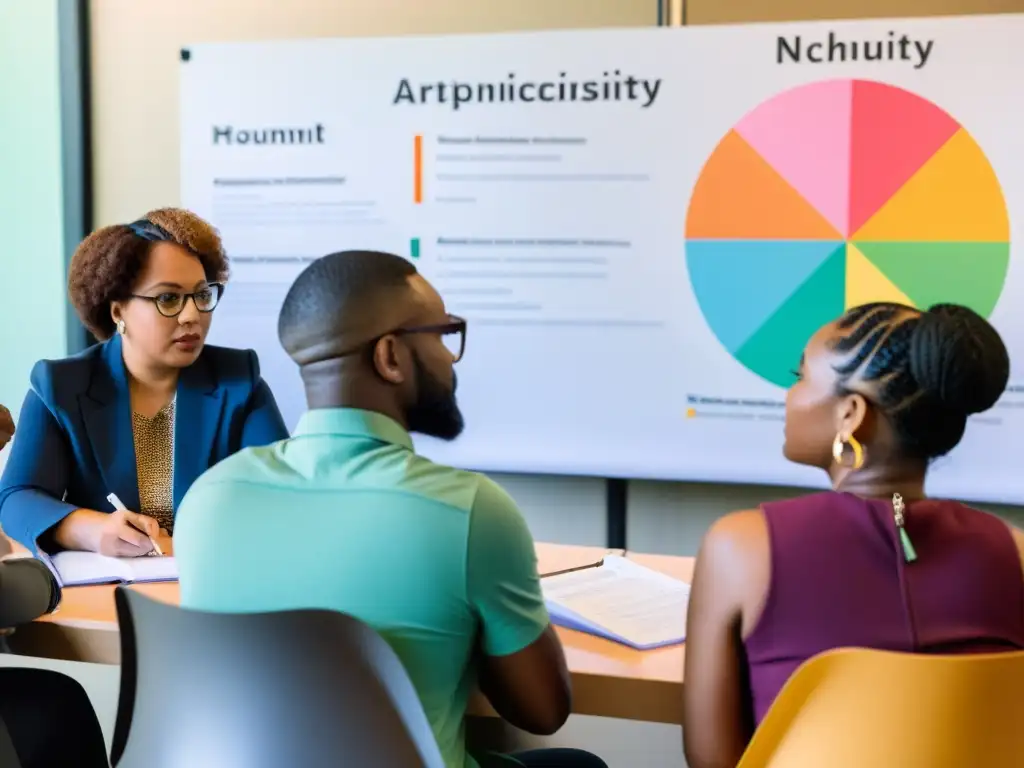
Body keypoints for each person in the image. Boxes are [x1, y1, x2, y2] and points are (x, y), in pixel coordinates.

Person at [174, 251, 607, 768]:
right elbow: (542, 710)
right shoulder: (469, 512)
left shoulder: (209, 497)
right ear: (390, 357)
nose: (450, 358)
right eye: (443, 335)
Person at [682, 302, 1024, 768]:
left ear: (851, 415)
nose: (789, 393)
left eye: (799, 376)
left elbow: (711, 760)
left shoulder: (741, 548)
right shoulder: (1015, 553)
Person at [0, 209, 289, 556]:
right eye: (168, 298)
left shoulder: (239, 381)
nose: (192, 315)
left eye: (202, 294)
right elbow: (16, 498)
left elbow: (283, 494)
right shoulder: (61, 386)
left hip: (213, 583)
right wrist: (88, 529)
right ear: (118, 311)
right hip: (105, 593)